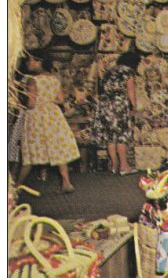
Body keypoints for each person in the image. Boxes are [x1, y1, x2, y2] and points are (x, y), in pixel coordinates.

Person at [17, 49, 80, 193]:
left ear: (39, 61)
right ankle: (66, 183)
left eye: (30, 60)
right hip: (53, 115)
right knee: (57, 147)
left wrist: (22, 103)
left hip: (37, 116)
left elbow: (31, 104)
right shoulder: (54, 79)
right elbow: (60, 100)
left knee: (31, 151)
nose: (28, 63)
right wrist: (48, 100)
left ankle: (16, 186)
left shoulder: (32, 80)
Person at [90, 51, 141, 175]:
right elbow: (130, 91)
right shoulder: (128, 72)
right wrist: (134, 107)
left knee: (110, 137)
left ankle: (113, 165)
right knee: (121, 135)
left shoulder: (109, 71)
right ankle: (124, 166)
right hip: (119, 105)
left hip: (106, 105)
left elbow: (103, 89)